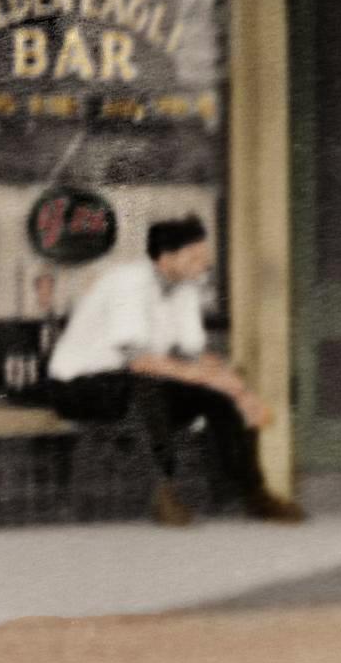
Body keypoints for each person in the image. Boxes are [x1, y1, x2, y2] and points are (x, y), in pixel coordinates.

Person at [41, 212, 299, 527]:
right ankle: (162, 495)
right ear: (166, 257)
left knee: (216, 397)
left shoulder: (185, 289)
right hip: (77, 386)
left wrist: (240, 393)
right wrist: (207, 378)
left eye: (205, 257)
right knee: (148, 383)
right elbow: (139, 359)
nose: (204, 265)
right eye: (195, 257)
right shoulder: (128, 283)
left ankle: (252, 495)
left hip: (130, 385)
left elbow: (194, 356)